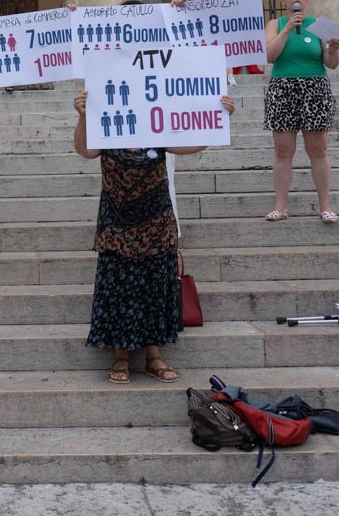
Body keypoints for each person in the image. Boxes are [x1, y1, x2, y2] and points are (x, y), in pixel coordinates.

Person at [73, 89, 235, 385]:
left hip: (156, 227)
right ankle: (120, 356)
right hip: (117, 227)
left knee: (155, 288)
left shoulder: (157, 127)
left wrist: (220, 117)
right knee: (119, 291)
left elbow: (192, 145)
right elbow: (84, 151)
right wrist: (84, 116)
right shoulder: (106, 125)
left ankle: (154, 356)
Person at [261, 0, 339, 223]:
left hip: (314, 87)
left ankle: (325, 206)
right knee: (283, 150)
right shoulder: (275, 24)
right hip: (283, 87)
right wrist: (287, 29)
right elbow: (269, 55)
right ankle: (280, 205)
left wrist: (333, 50)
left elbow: (332, 64)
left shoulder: (319, 25)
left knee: (318, 149)